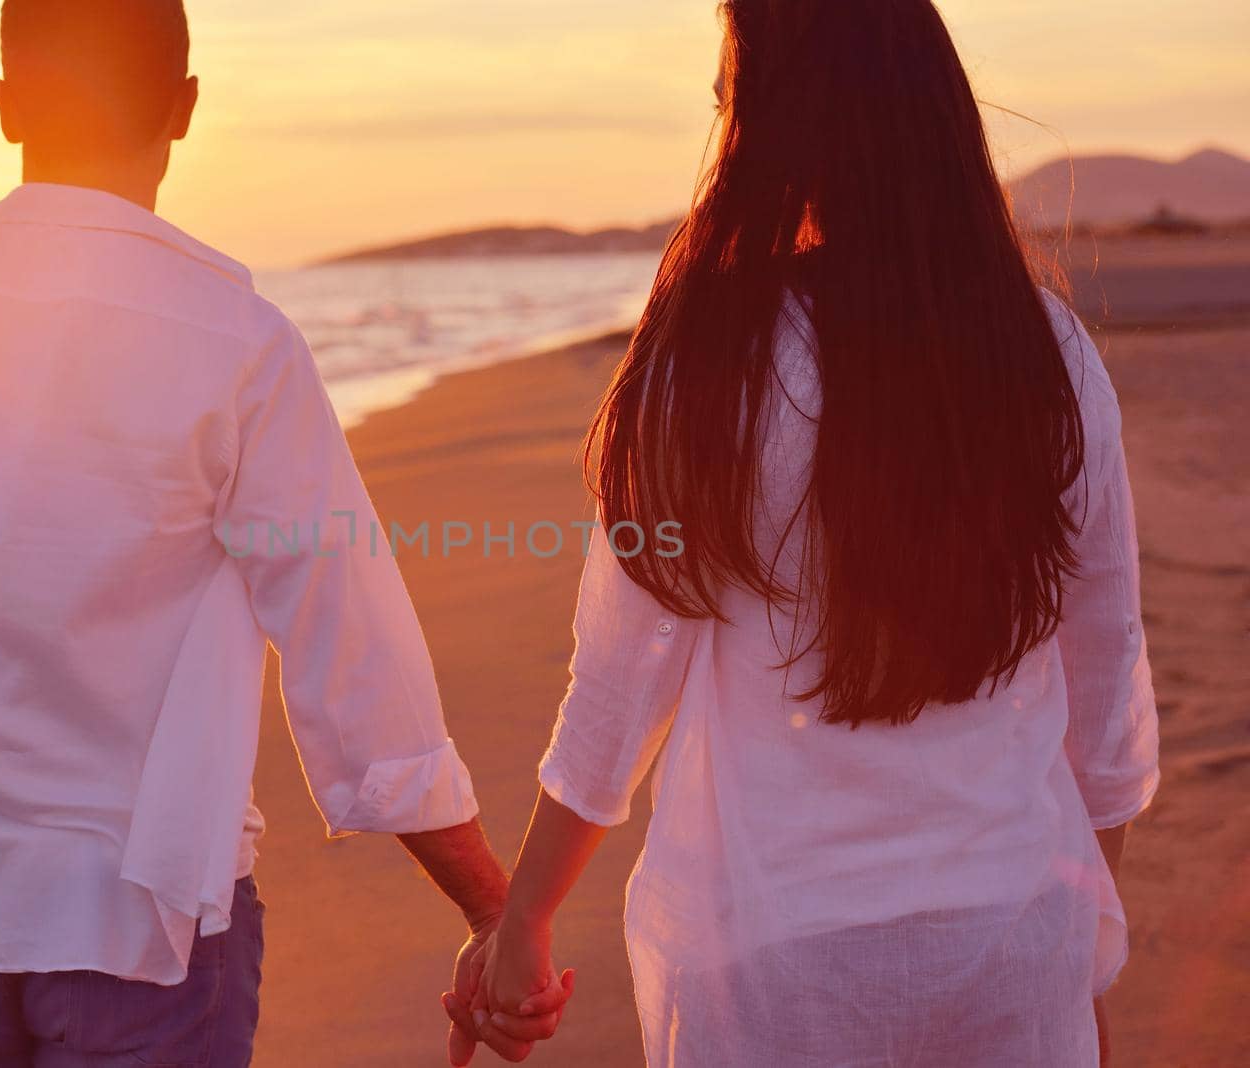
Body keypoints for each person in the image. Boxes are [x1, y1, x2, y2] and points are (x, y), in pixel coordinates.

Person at [0, 2, 569, 1065]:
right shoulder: (237, 342)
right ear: (183, 109)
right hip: (139, 926)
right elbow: (348, 647)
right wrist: (490, 911)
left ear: (5, 110)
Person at [451, 1, 1160, 1065]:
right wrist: (1080, 941)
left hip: (774, 961)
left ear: (765, 132)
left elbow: (619, 682)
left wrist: (522, 923)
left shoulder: (713, 364)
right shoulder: (1045, 352)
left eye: (728, 103)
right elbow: (1105, 682)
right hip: (1011, 931)